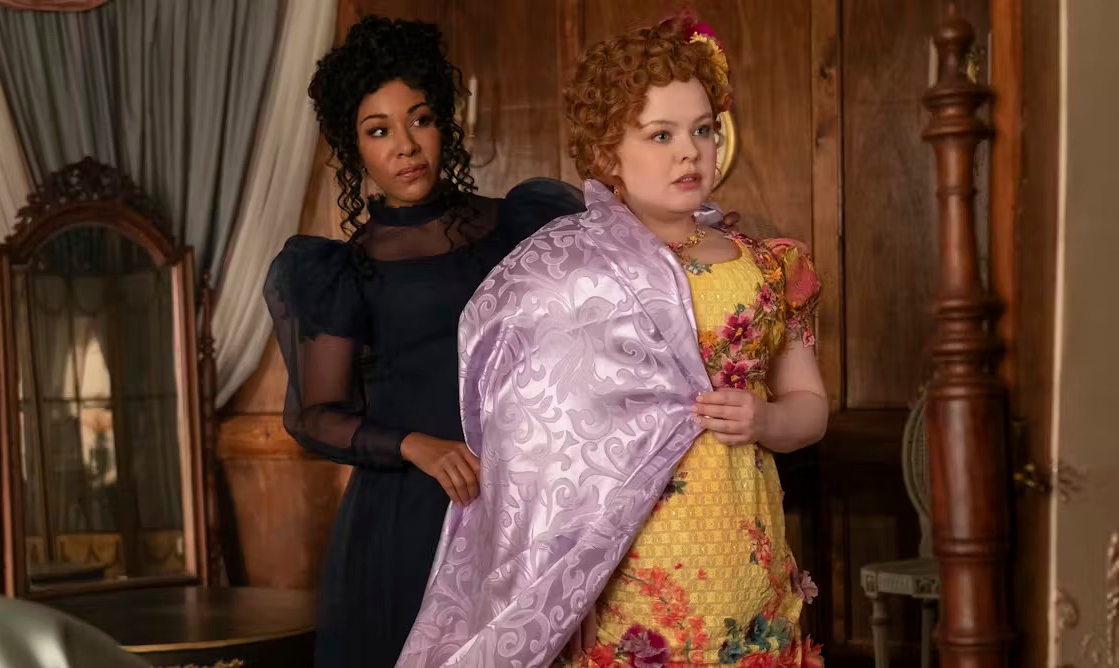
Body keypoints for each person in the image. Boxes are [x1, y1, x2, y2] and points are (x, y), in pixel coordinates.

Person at [398, 15, 827, 667]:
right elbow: (534, 441)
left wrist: (767, 419)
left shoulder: (766, 264)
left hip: (742, 554)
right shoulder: (570, 275)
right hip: (625, 572)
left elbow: (810, 407)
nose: (690, 152)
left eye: (703, 129)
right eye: (661, 135)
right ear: (606, 154)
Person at [262, 16, 589, 668]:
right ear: (354, 147)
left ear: (445, 122)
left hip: (524, 505)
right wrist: (413, 444)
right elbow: (314, 415)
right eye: (379, 130)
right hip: (405, 517)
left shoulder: (522, 226)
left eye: (420, 119)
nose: (406, 146)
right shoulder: (342, 271)